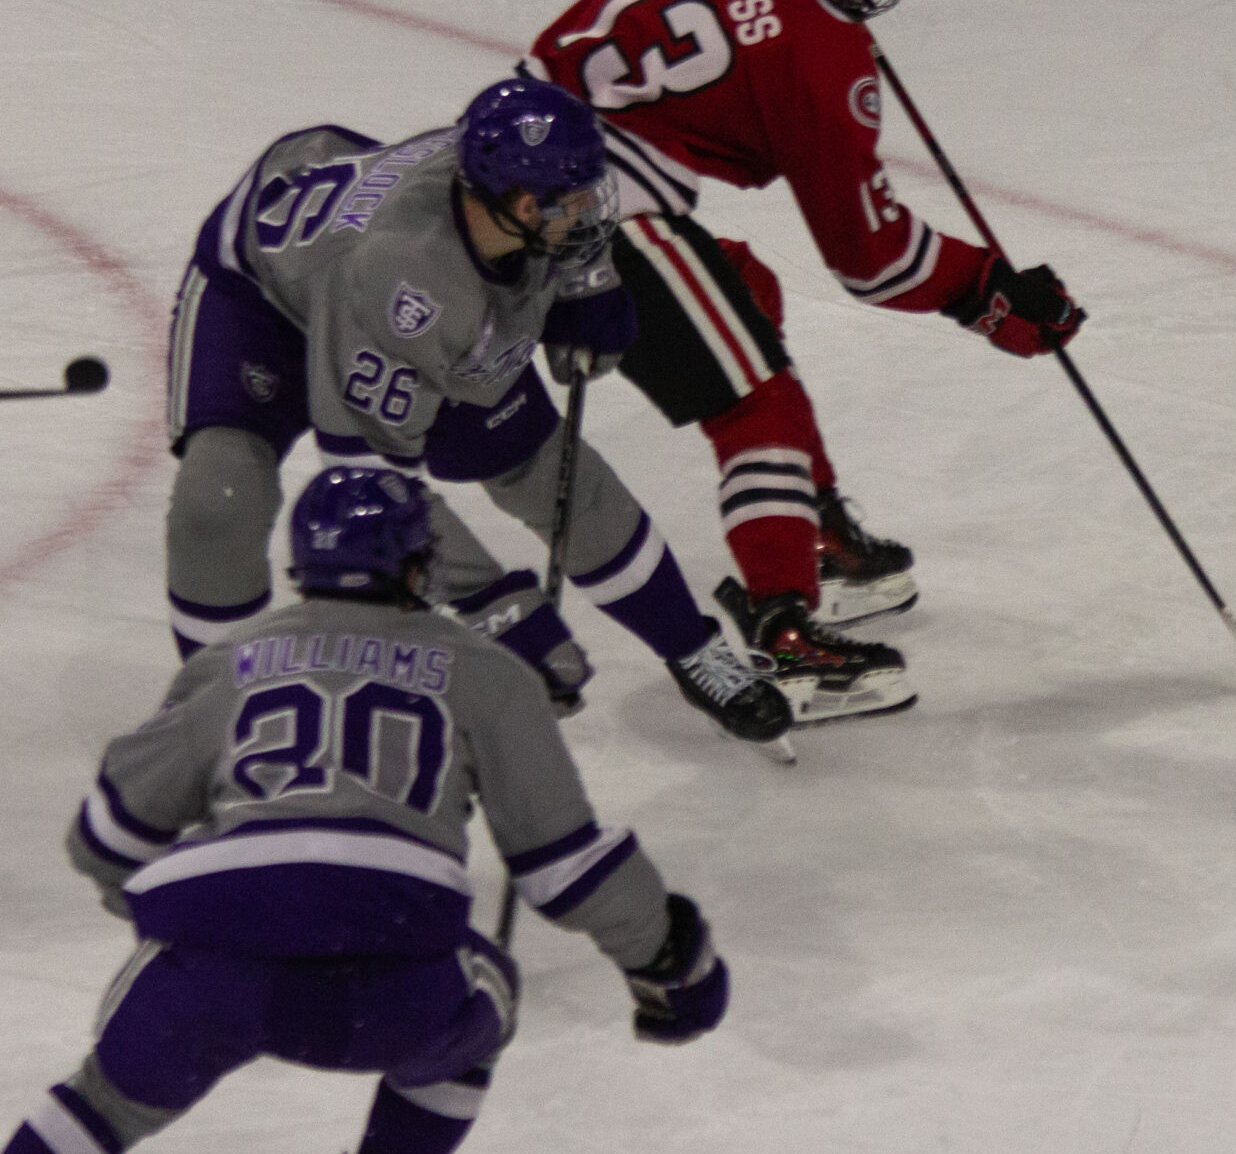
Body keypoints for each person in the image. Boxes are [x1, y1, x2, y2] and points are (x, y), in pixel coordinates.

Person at [0, 468, 731, 1154]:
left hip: (217, 951)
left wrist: (180, 920)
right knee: (488, 1000)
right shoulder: (487, 674)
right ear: (417, 568)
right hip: (386, 977)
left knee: (105, 1102)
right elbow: (564, 870)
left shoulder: (228, 661)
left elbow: (105, 837)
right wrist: (671, 961)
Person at [522, 0, 1084, 715]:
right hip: (587, 204)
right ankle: (782, 627)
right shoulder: (823, 70)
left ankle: (813, 524)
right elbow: (875, 261)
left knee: (747, 295)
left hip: (516, 138)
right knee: (758, 398)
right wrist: (987, 293)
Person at [162, 76, 796, 745]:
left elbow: (575, 220)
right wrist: (497, 607)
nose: (587, 213)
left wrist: (588, 283)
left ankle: (693, 648)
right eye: (570, 202)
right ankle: (218, 718)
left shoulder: (509, 206)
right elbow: (375, 490)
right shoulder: (410, 283)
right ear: (521, 204)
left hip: (374, 264)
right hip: (262, 297)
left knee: (551, 474)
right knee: (219, 501)